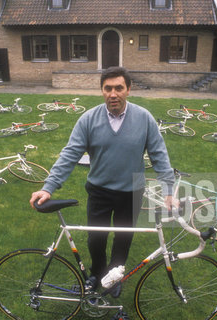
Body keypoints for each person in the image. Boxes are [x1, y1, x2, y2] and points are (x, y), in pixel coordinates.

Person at [29, 66, 175, 305]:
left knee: (123, 238)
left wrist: (169, 191)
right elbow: (70, 154)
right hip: (99, 190)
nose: (113, 94)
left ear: (128, 89)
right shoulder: (88, 119)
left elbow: (159, 155)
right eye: (108, 88)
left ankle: (114, 278)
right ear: (102, 91)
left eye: (119, 88)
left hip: (132, 191)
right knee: (96, 238)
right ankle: (97, 272)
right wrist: (48, 187)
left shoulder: (144, 118)